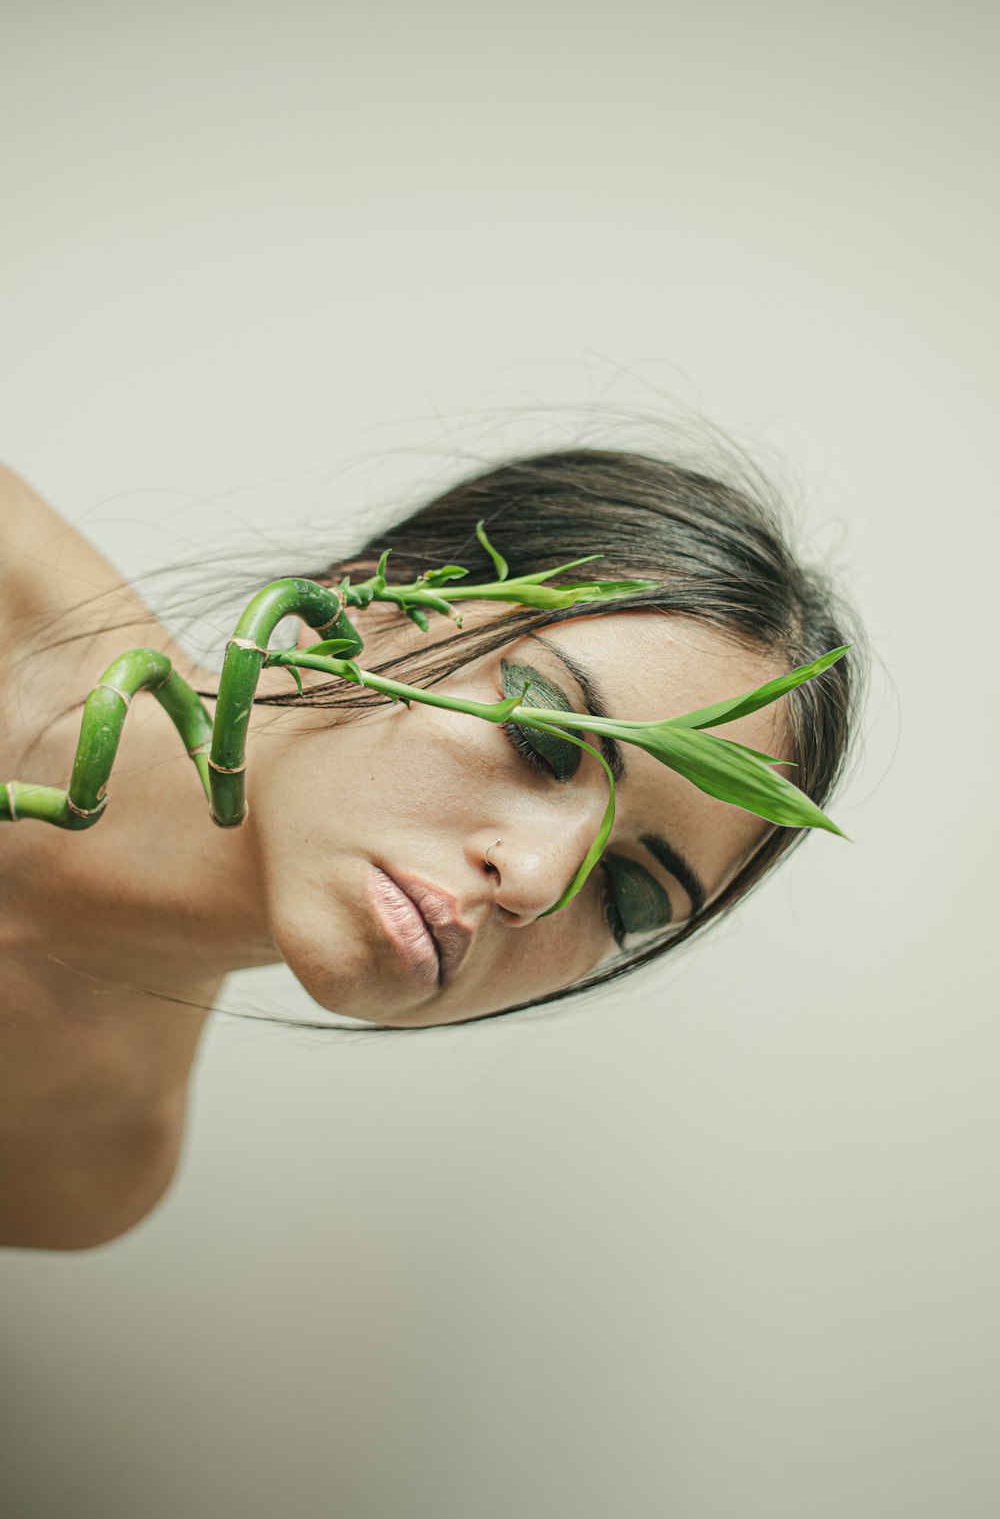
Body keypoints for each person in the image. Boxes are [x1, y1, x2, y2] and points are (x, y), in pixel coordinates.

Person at [0, 446, 862, 1249]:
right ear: (363, 604)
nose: (534, 879)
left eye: (626, 894)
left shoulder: (86, 1162)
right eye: (543, 736)